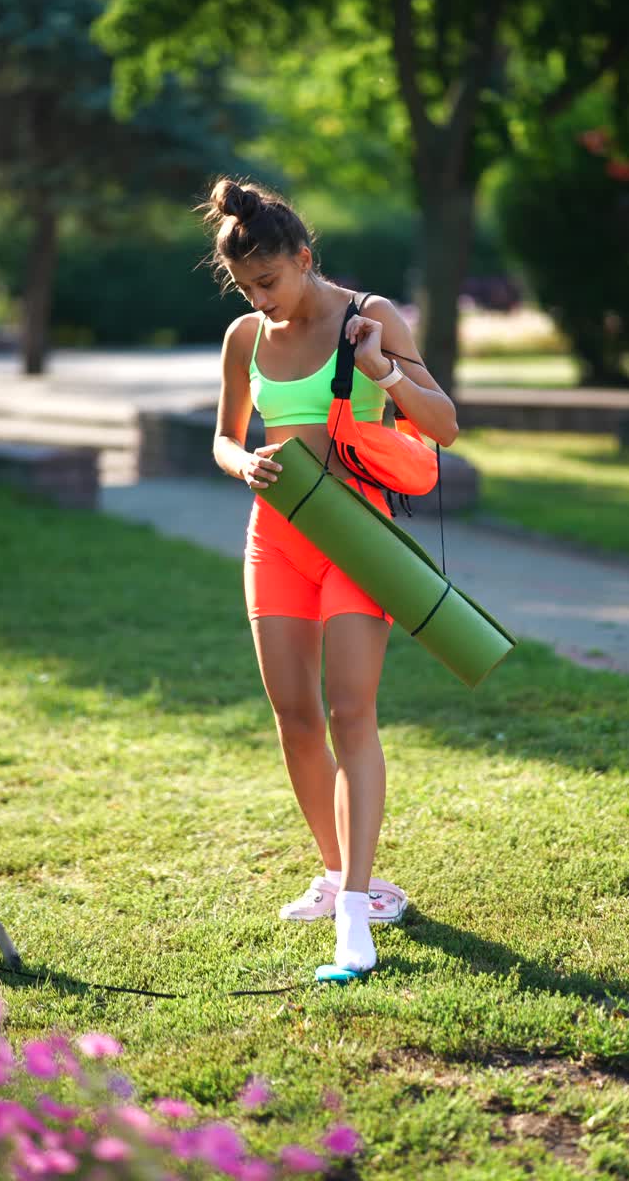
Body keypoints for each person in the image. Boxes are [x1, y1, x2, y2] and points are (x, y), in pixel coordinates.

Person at [204, 177, 458, 974]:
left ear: (304, 258)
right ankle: (341, 873)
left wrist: (384, 373)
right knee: (294, 716)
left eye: (269, 281)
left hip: (359, 537)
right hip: (275, 538)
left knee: (352, 711)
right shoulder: (245, 337)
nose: (261, 300)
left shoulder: (368, 317)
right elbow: (224, 436)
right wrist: (243, 462)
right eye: (246, 288)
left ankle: (355, 912)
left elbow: (445, 425)